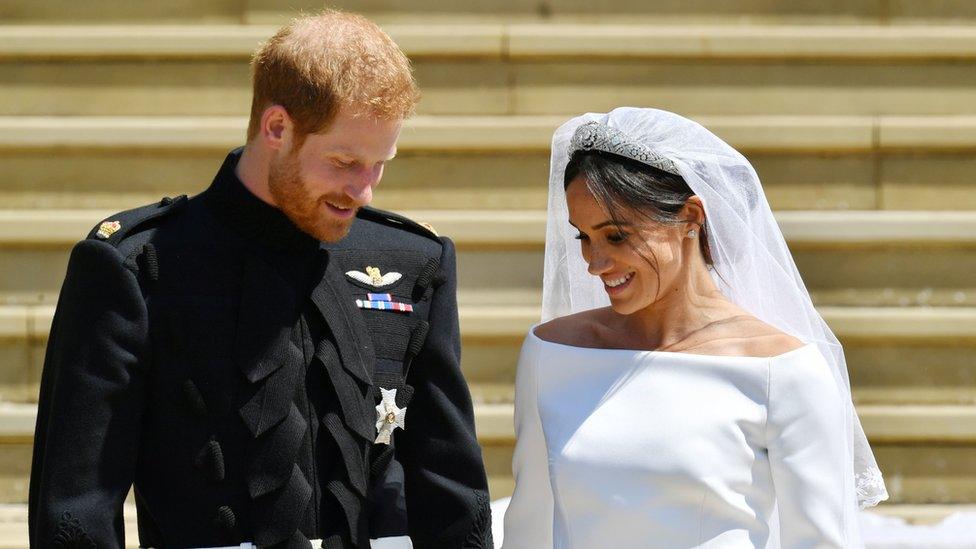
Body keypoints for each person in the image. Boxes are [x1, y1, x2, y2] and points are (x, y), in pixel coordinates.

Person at [28, 10, 493, 549]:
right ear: (277, 127)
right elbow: (76, 507)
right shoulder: (135, 267)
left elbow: (452, 489)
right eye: (344, 161)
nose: (363, 190)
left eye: (378, 164)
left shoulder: (412, 261)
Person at [501, 108, 888, 548]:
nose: (594, 262)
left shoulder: (784, 370)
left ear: (691, 216)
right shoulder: (551, 353)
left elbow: (820, 542)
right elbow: (528, 527)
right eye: (583, 237)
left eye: (616, 236)